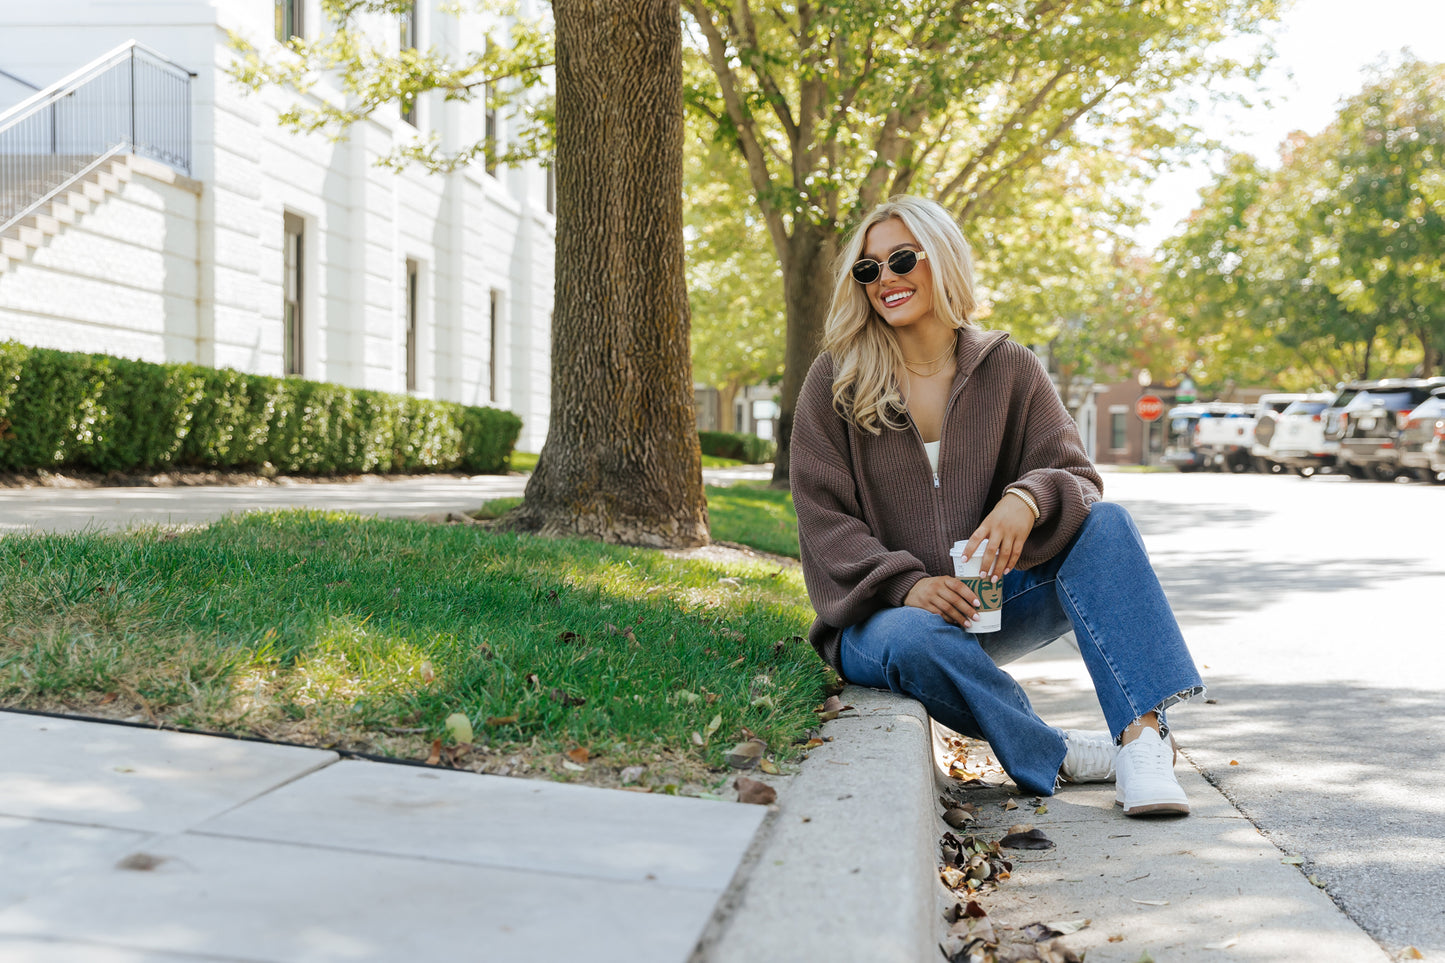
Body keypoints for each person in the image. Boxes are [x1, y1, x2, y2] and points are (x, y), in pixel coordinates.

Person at [789, 195, 1205, 815]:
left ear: (944, 260)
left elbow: (1077, 477)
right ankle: (1056, 751)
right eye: (869, 269)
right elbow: (824, 521)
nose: (886, 280)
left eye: (903, 259)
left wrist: (1029, 499)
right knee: (913, 637)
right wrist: (905, 585)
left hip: (990, 605)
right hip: (885, 623)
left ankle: (1143, 741)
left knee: (1108, 526)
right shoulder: (836, 380)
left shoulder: (1010, 367)